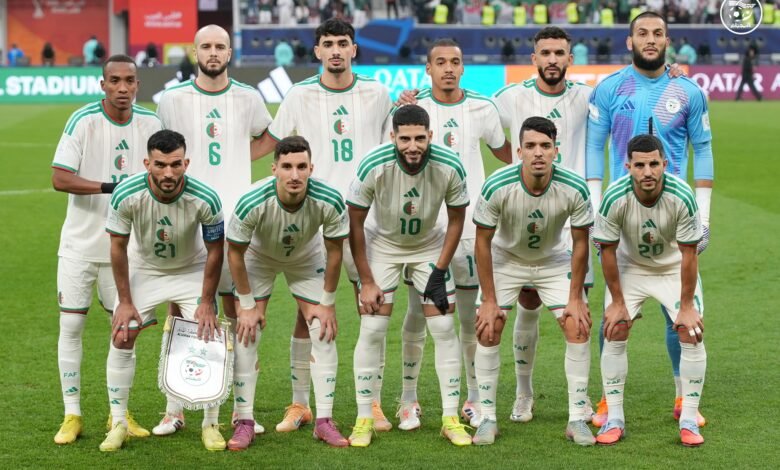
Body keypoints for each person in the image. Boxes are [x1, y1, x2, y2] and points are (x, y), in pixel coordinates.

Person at [252, 18, 395, 433]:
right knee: (309, 313)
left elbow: (395, 141)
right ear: (317, 51)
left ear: (354, 49)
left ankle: (373, 403)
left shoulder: (377, 93)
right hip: (314, 220)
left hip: (367, 219)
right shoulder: (299, 95)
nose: (335, 50)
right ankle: (300, 404)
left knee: (372, 311)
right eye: (328, 44)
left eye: (343, 43)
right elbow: (273, 144)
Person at [586, 11, 713, 429]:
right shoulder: (610, 88)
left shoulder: (687, 89)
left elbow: (703, 149)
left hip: (675, 213)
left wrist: (705, 214)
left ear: (668, 41)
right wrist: (595, 206)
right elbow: (594, 147)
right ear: (630, 41)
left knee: (678, 311)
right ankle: (608, 400)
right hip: (622, 213)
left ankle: (682, 395)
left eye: (658, 33)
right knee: (614, 309)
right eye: (642, 33)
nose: (651, 39)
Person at [156, 24, 273, 436]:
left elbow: (269, 137)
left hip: (237, 220)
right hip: (188, 219)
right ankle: (175, 408)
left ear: (229, 53)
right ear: (195, 52)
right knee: (181, 311)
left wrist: (239, 157)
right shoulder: (172, 99)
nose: (212, 52)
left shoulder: (248, 97)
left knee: (239, 312)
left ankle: (242, 410)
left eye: (220, 46)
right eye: (205, 46)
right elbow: (162, 150)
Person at [395, 38, 511, 431]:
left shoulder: (482, 106)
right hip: (426, 230)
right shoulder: (412, 109)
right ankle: (408, 399)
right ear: (428, 68)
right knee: (417, 313)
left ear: (463, 68)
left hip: (471, 228)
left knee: (467, 315)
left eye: (455, 62)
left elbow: (504, 151)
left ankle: (473, 397)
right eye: (440, 62)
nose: (448, 68)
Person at [51, 54, 162, 445]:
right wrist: (110, 188)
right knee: (71, 327)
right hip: (80, 246)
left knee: (126, 333)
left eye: (129, 81)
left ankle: (119, 415)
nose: (122, 88)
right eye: (114, 81)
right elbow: (59, 178)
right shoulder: (83, 120)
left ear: (137, 85)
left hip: (128, 251)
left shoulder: (151, 123)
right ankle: (72, 414)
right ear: (103, 85)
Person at [346, 104, 471, 447]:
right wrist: (366, 280)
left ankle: (450, 418)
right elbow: (354, 223)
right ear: (393, 137)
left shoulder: (449, 165)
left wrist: (440, 270)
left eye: (419, 138)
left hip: (428, 247)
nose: (412, 146)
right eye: (405, 139)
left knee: (443, 327)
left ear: (430, 136)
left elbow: (457, 220)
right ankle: (364, 419)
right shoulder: (374, 164)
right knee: (372, 328)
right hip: (383, 246)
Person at [492, 26, 595, 425]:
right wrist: (514, 165)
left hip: (572, 217)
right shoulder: (510, 97)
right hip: (524, 217)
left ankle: (580, 400)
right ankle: (523, 394)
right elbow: (474, 118)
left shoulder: (587, 96)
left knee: (578, 311)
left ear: (570, 58)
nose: (553, 59)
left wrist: (671, 72)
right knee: (528, 303)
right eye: (545, 53)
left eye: (559, 53)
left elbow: (631, 91)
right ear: (534, 58)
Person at [470, 117, 595, 446]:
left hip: (553, 261)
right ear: (519, 152)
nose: (538, 153)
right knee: (488, 326)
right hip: (507, 260)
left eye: (545, 146)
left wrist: (576, 298)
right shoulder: (498, 185)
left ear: (556, 150)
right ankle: (488, 417)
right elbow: (482, 242)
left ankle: (577, 418)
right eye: (530, 146)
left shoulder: (574, 186)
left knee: (577, 325)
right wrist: (488, 300)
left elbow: (581, 243)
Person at [100, 129, 226, 452]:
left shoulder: (206, 198)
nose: (168, 173)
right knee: (122, 333)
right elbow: (117, 247)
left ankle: (211, 424)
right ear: (147, 163)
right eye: (160, 165)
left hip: (190, 269)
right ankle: (119, 423)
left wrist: (207, 301)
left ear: (186, 163)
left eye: (175, 164)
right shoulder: (126, 194)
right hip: (146, 268)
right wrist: (124, 301)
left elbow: (215, 251)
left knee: (208, 334)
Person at [226, 136, 350, 450]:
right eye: (287, 167)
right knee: (247, 331)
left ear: (311, 168)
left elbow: (335, 251)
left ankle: (323, 421)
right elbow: (235, 253)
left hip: (305, 257)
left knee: (322, 329)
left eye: (301, 167)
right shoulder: (252, 200)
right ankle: (244, 421)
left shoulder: (329, 199)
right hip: (259, 258)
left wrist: (328, 302)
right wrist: (247, 305)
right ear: (274, 169)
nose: (294, 175)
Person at [593, 134, 706, 447]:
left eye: (654, 164)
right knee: (614, 327)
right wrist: (617, 302)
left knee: (691, 331)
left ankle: (688, 418)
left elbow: (689, 254)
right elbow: (607, 251)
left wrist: (686, 306)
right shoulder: (614, 197)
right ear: (627, 166)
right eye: (640, 165)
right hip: (631, 268)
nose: (647, 172)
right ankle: (614, 417)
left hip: (672, 268)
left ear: (665, 164)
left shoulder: (681, 196)